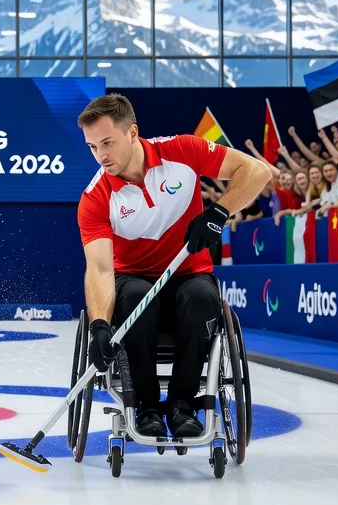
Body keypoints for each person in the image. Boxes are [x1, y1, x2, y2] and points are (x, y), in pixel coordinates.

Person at [75, 94, 269, 439]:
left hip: (189, 274)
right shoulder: (96, 198)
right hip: (134, 279)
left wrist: (219, 212)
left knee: (200, 298)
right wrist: (100, 325)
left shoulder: (182, 151)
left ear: (132, 132)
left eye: (107, 142)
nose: (101, 155)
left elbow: (256, 171)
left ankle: (182, 404)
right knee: (133, 295)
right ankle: (146, 406)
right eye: (91, 147)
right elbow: (101, 270)